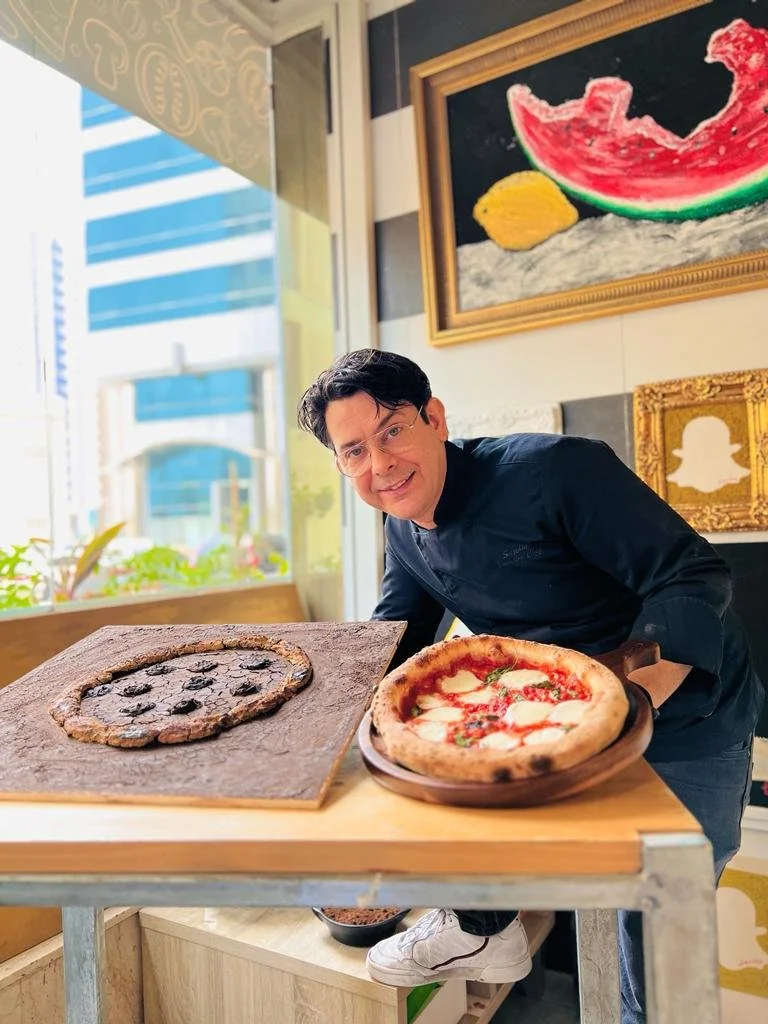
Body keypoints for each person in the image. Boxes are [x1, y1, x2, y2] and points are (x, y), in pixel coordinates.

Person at [297, 348, 762, 1022]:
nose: (381, 464)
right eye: (354, 451)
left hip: (684, 714)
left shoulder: (553, 470)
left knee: (656, 944)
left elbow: (692, 576)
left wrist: (621, 711)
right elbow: (395, 645)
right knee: (417, 776)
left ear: (434, 416)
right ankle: (482, 928)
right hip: (550, 721)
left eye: (392, 431)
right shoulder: (403, 526)